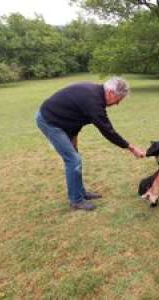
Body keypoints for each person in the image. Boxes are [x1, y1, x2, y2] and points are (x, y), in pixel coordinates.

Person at [36, 77, 145, 211]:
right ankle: (76, 201)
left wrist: (74, 139)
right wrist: (131, 148)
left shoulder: (94, 95)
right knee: (73, 160)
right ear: (111, 93)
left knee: (75, 157)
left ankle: (80, 193)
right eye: (118, 100)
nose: (117, 104)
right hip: (50, 121)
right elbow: (108, 131)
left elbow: (76, 118)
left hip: (62, 121)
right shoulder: (94, 101)